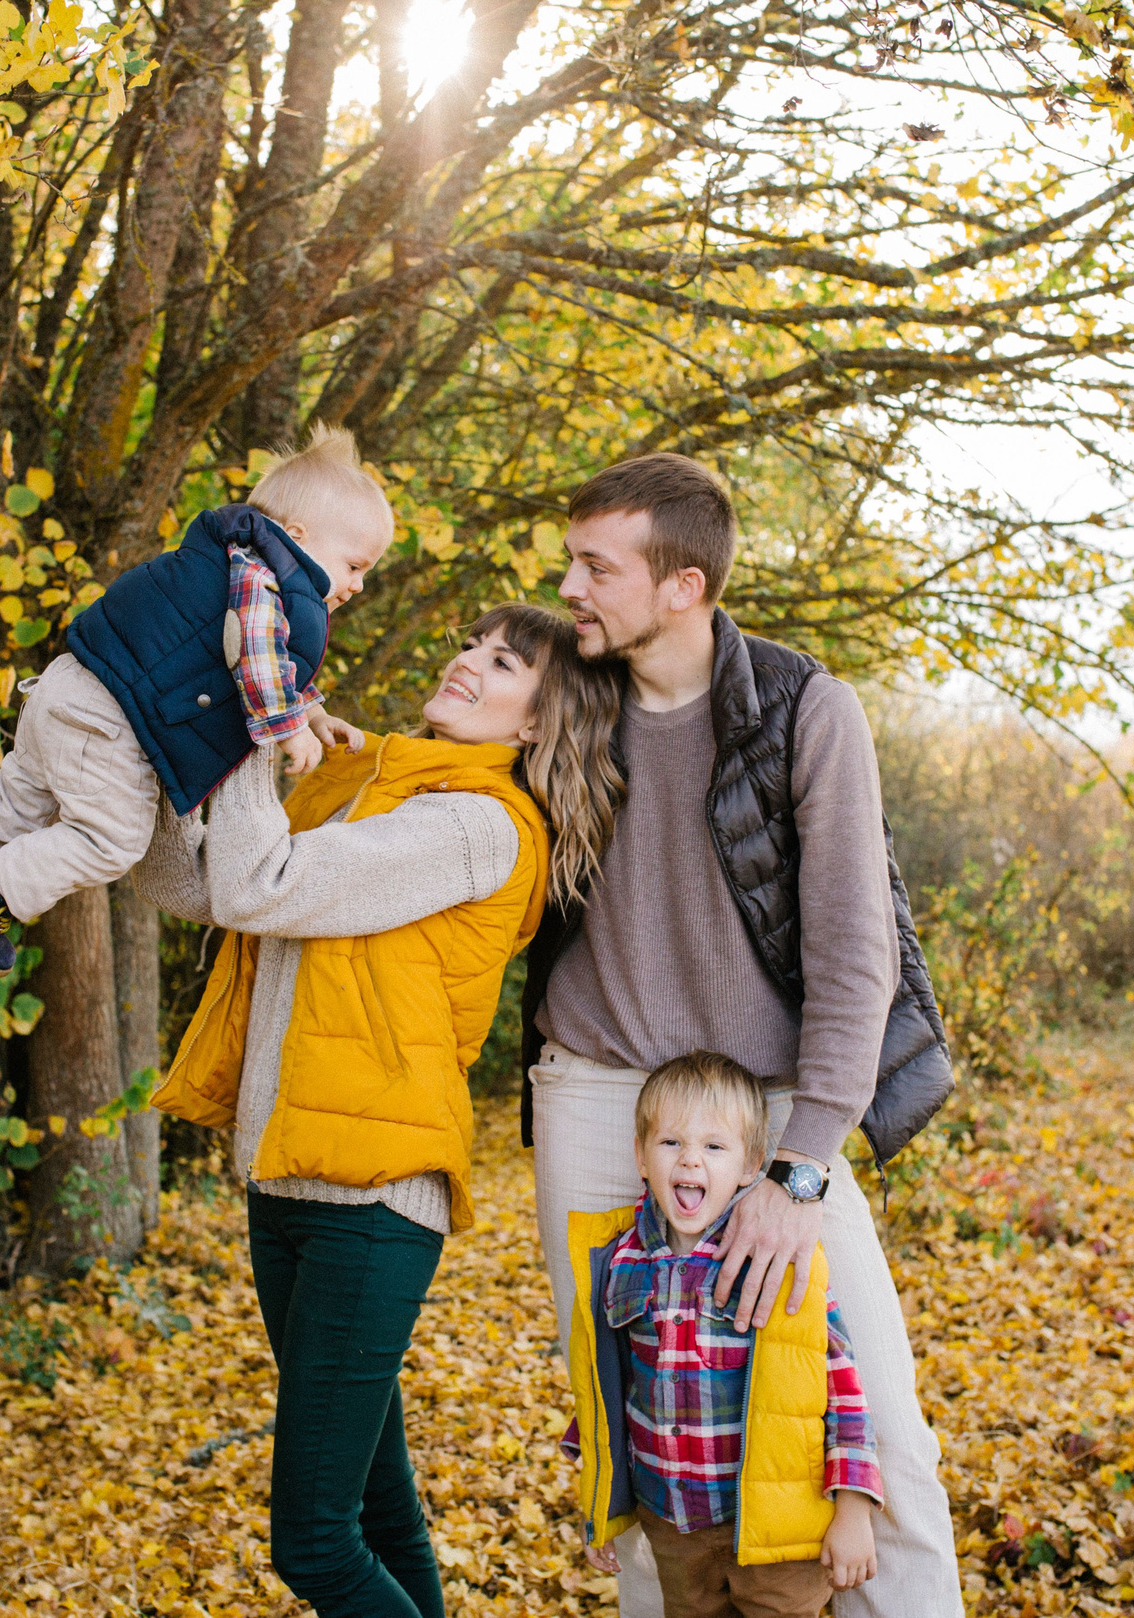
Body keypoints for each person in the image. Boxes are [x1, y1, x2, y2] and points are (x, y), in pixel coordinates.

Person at [522, 452, 963, 1617]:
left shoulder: (803, 708)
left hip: (765, 1105)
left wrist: (800, 1166)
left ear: (683, 585)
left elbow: (855, 955)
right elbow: (446, 745)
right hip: (594, 1098)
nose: (569, 585)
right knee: (637, 1427)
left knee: (878, 1436)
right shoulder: (565, 691)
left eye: (594, 565)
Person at [134, 603, 625, 1618]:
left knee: (313, 1545)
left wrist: (257, 734)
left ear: (534, 726)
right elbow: (203, 881)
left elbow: (263, 882)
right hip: (290, 1175)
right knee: (376, 1507)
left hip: (371, 1205)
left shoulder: (475, 826)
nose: (467, 661)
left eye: (503, 663)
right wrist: (133, 766)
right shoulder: (375, 792)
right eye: (473, 644)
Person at [0, 426, 394, 974]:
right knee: (109, 840)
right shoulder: (269, 579)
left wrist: (314, 713)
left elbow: (260, 655)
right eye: (355, 566)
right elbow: (252, 650)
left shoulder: (234, 564)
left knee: (20, 799)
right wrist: (287, 726)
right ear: (298, 536)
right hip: (109, 723)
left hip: (68, 689)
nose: (357, 586)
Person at [566, 1051, 883, 1618]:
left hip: (776, 1530)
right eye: (671, 1144)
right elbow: (608, 1387)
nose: (691, 1160)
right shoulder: (621, 1260)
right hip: (675, 1525)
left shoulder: (775, 1258)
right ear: (640, 1157)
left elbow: (840, 1385)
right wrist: (599, 1500)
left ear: (750, 1164)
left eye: (714, 1146)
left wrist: (853, 1508)